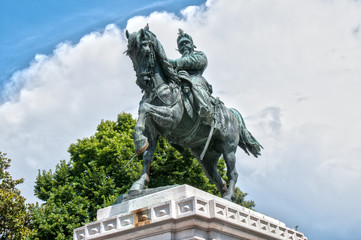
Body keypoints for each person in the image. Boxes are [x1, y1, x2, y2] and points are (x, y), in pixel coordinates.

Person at [169, 29, 214, 124]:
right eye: (181, 45)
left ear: (192, 45)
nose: (184, 45)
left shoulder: (199, 55)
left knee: (194, 83)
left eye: (186, 43)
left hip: (196, 78)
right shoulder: (176, 63)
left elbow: (196, 61)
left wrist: (175, 63)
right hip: (180, 81)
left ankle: (204, 109)